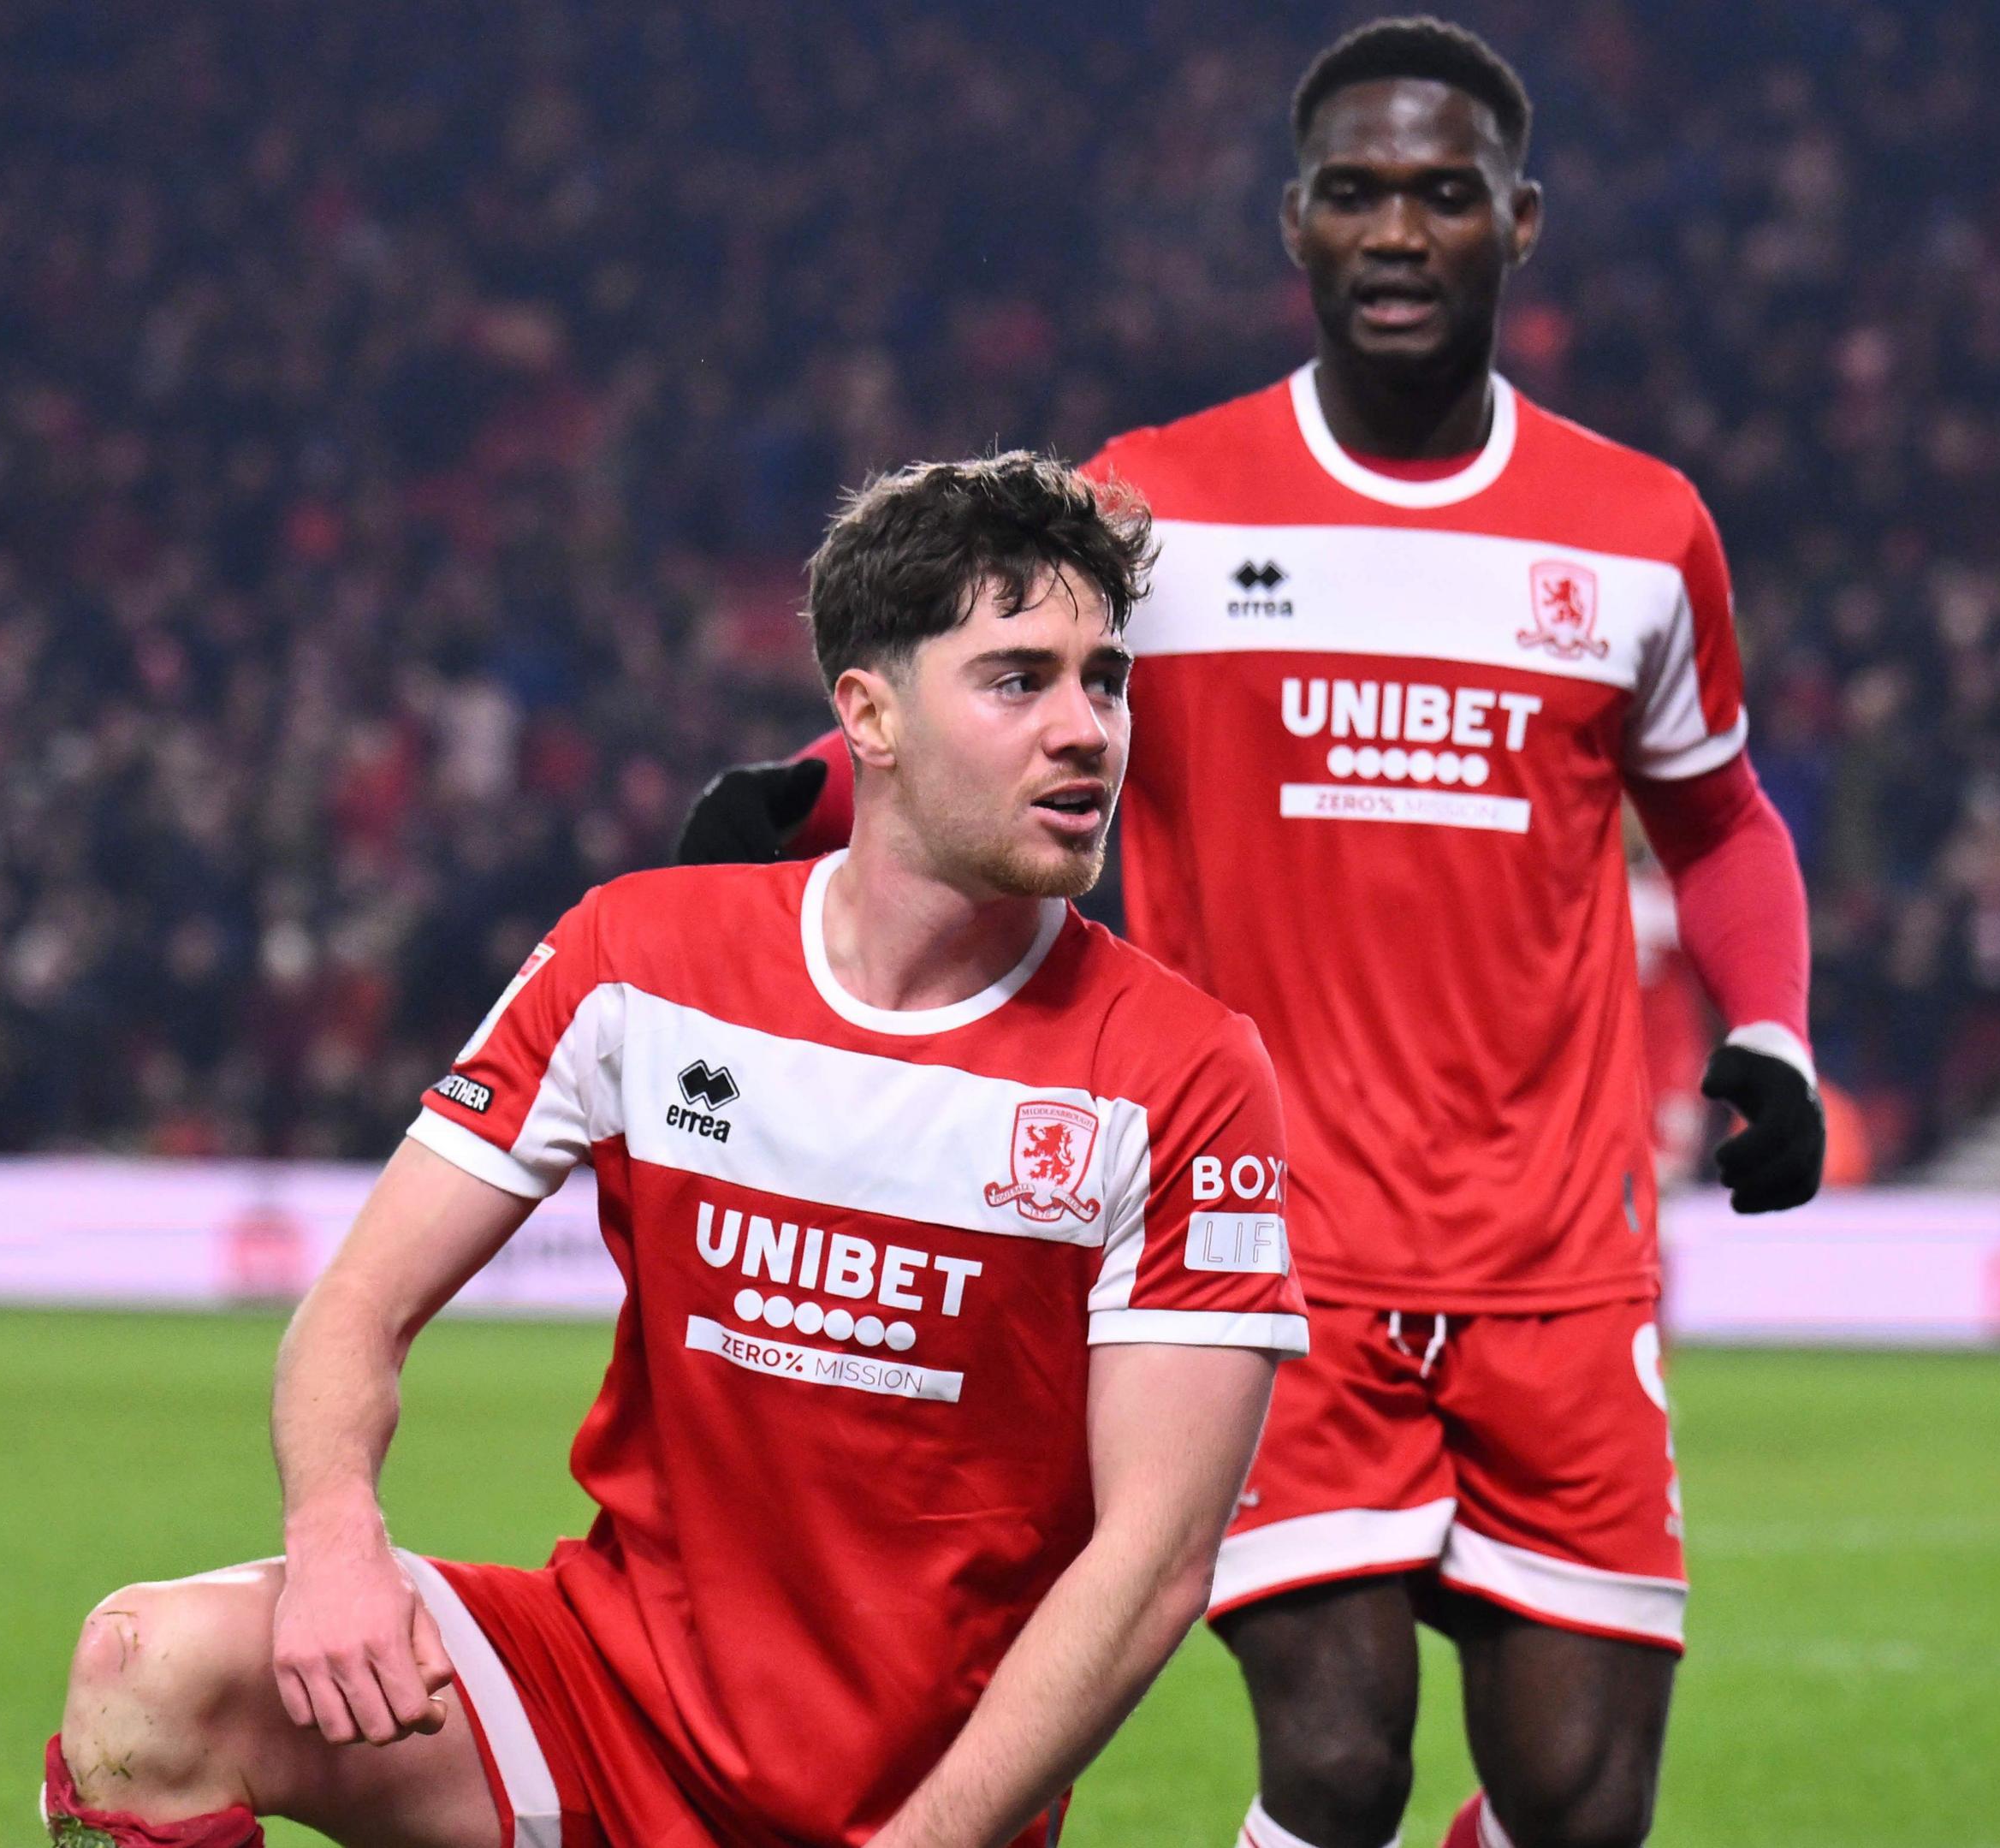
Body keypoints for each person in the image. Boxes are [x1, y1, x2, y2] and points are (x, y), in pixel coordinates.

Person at [676, 22, 1825, 1848]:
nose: (1397, 229)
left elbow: (1724, 816)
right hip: (1267, 1241)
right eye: (1356, 191)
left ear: (1518, 222)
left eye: (1443, 195)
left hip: (1561, 1254)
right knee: (1341, 1749)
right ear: (1294, 221)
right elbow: (1002, 696)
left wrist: (1769, 1031)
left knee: (1581, 1804)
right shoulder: (1162, 502)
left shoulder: (1639, 534)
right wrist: (813, 791)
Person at [45, 454, 1310, 1848]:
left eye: (1107, 678)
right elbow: (354, 1305)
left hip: (911, 1803)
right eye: (1020, 679)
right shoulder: (638, 957)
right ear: (869, 712)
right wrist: (340, 1536)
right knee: (149, 1669)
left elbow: (1153, 1559)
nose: (1088, 729)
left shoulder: (1183, 1070)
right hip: (600, 1696)